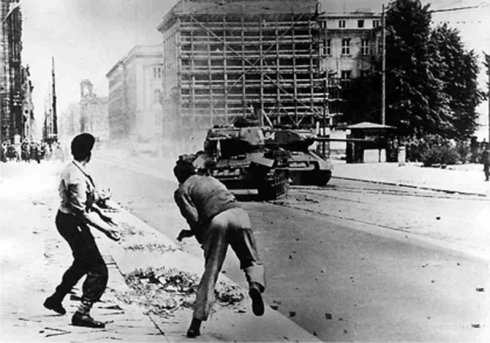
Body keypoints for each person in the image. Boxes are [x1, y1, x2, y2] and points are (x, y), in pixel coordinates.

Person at [173, 156, 266, 338]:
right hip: (239, 214)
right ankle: (255, 285)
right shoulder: (211, 179)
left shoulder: (182, 190)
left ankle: (195, 324)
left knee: (211, 271)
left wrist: (200, 238)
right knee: (251, 259)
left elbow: (195, 219)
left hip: (217, 221)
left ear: (179, 177)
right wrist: (192, 231)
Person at [43, 133, 121, 328]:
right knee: (98, 268)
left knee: (81, 262)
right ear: (89, 153)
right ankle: (82, 313)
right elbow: (81, 211)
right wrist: (107, 230)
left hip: (67, 220)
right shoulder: (77, 175)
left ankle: (56, 298)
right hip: (73, 222)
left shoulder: (74, 169)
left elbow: (83, 202)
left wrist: (99, 203)